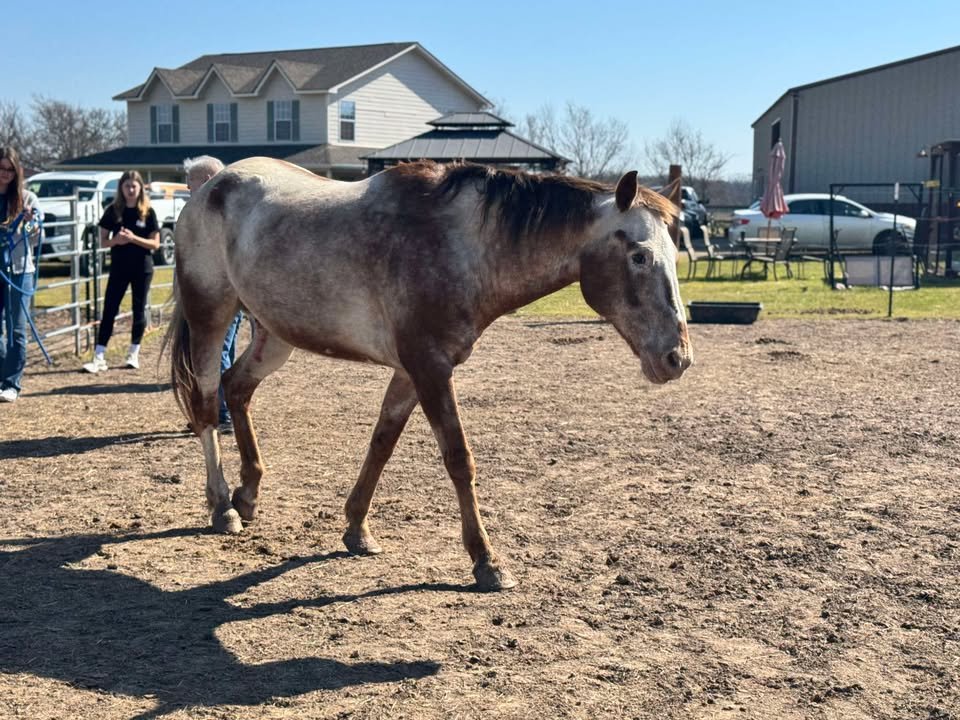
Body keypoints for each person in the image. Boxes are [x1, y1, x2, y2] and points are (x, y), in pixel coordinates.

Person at [183, 155, 240, 433]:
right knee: (225, 349)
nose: (187, 190)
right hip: (226, 293)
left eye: (189, 184)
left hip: (220, 294)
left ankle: (222, 413)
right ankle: (221, 410)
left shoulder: (215, 215)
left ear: (205, 182)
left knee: (218, 352)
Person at [83, 170, 160, 374]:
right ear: (121, 188)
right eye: (127, 186)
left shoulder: (148, 212)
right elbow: (102, 240)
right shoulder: (113, 211)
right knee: (110, 308)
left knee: (139, 308)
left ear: (140, 188)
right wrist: (116, 241)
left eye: (134, 186)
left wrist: (134, 238)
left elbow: (155, 244)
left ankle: (134, 352)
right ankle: (99, 355)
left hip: (142, 268)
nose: (131, 190)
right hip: (119, 267)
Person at [0, 147, 39, 403]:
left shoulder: (27, 199)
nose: (5, 174)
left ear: (17, 172)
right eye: (1, 168)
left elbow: (35, 235)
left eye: (10, 169)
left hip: (19, 268)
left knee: (17, 327)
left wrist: (30, 224)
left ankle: (12, 382)